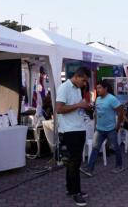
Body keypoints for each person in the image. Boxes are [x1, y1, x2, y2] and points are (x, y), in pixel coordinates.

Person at [56, 67, 92, 206]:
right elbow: (59, 109)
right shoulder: (64, 88)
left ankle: (71, 189)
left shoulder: (78, 88)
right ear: (77, 76)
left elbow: (77, 107)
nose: (84, 84)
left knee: (73, 162)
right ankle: (76, 192)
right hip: (70, 131)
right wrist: (78, 105)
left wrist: (86, 106)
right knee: (74, 162)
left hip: (79, 128)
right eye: (83, 80)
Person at [80, 80, 124, 176]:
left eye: (100, 88)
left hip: (111, 129)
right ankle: (89, 169)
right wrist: (96, 126)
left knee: (115, 147)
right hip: (100, 129)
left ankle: (119, 166)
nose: (97, 89)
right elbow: (96, 114)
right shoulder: (98, 99)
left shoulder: (112, 99)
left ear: (105, 88)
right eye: (97, 88)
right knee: (95, 148)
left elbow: (121, 112)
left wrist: (118, 125)